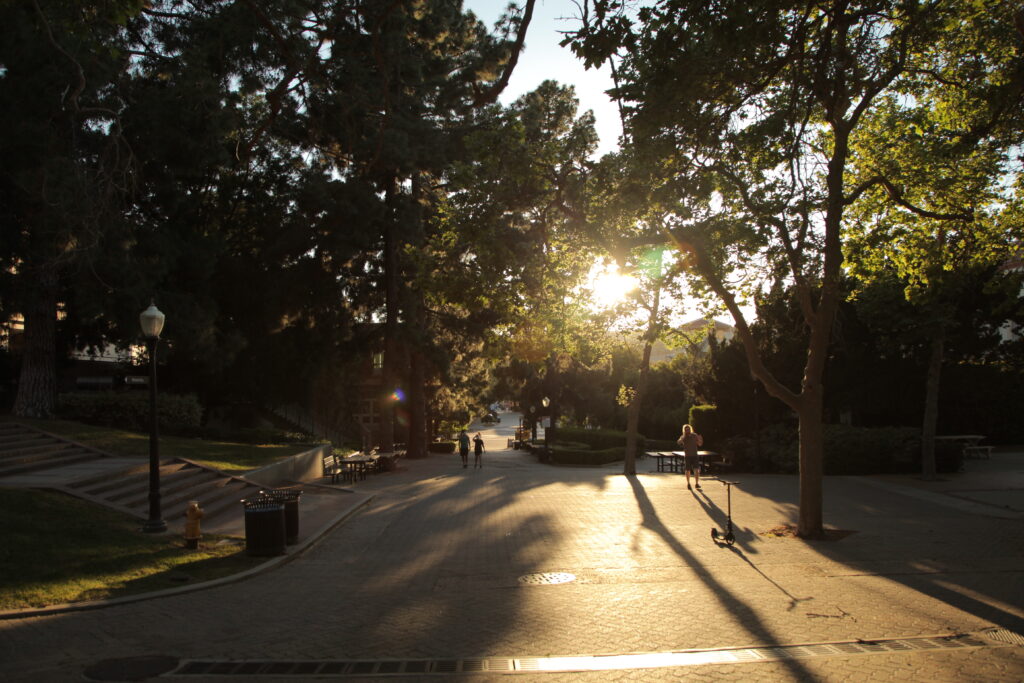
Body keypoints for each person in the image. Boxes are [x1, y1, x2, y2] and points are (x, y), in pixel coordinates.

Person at [677, 423, 704, 490]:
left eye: (688, 429)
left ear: (690, 429)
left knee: (696, 470)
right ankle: (688, 483)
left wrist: (700, 440)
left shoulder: (694, 435)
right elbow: (678, 442)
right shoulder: (683, 436)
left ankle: (697, 483)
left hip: (695, 455)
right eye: (686, 430)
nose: (687, 431)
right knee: (687, 470)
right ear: (684, 430)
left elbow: (699, 444)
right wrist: (682, 438)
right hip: (687, 456)